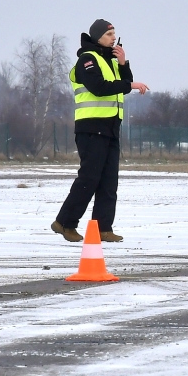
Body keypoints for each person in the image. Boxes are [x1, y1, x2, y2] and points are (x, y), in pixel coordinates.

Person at [51, 20, 149, 242]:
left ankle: (103, 228)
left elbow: (123, 84)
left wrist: (123, 64)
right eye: (109, 34)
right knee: (89, 178)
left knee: (108, 182)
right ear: (98, 37)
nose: (113, 37)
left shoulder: (110, 61)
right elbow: (100, 87)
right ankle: (64, 223)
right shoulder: (87, 60)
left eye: (114, 33)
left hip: (111, 128)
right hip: (91, 128)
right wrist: (130, 85)